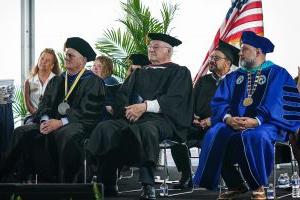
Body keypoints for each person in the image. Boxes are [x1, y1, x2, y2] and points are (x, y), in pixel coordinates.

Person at [193, 31, 300, 200]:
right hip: (234, 123)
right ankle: (235, 184)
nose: (240, 53)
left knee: (253, 136)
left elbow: (276, 102)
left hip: (268, 124)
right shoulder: (233, 77)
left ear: (258, 51)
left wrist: (257, 120)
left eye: (244, 49)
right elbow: (220, 102)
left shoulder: (278, 74)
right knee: (216, 133)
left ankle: (258, 186)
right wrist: (228, 118)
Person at [86, 33, 193, 199]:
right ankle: (106, 182)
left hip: (161, 120)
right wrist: (129, 110)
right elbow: (121, 96)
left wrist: (144, 107)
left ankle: (148, 184)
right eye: (150, 46)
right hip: (131, 117)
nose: (151, 49)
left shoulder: (180, 72)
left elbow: (175, 100)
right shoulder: (139, 72)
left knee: (146, 129)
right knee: (106, 128)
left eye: (156, 46)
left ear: (168, 51)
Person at [0, 37, 106, 183]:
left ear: (83, 60)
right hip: (51, 123)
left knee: (66, 134)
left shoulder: (93, 81)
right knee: (21, 132)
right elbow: (45, 105)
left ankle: (64, 185)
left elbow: (89, 112)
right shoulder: (57, 80)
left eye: (71, 55)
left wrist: (60, 122)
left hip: (78, 124)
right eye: (66, 54)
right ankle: (8, 182)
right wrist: (45, 120)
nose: (66, 58)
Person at [170, 40, 240, 190]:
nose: (211, 61)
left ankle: (229, 182)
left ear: (228, 62)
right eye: (211, 58)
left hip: (222, 126)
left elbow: (237, 110)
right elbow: (190, 103)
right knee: (176, 135)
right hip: (198, 126)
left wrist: (212, 121)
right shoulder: (203, 81)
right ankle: (186, 175)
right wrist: (192, 117)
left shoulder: (236, 83)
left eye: (216, 58)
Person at [24, 48, 60, 124]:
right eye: (42, 58)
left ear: (52, 65)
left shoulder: (57, 81)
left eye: (47, 60)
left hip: (51, 117)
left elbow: (57, 103)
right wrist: (37, 115)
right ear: (38, 60)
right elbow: (28, 104)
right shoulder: (28, 81)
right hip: (32, 116)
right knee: (30, 128)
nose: (43, 62)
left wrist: (46, 117)